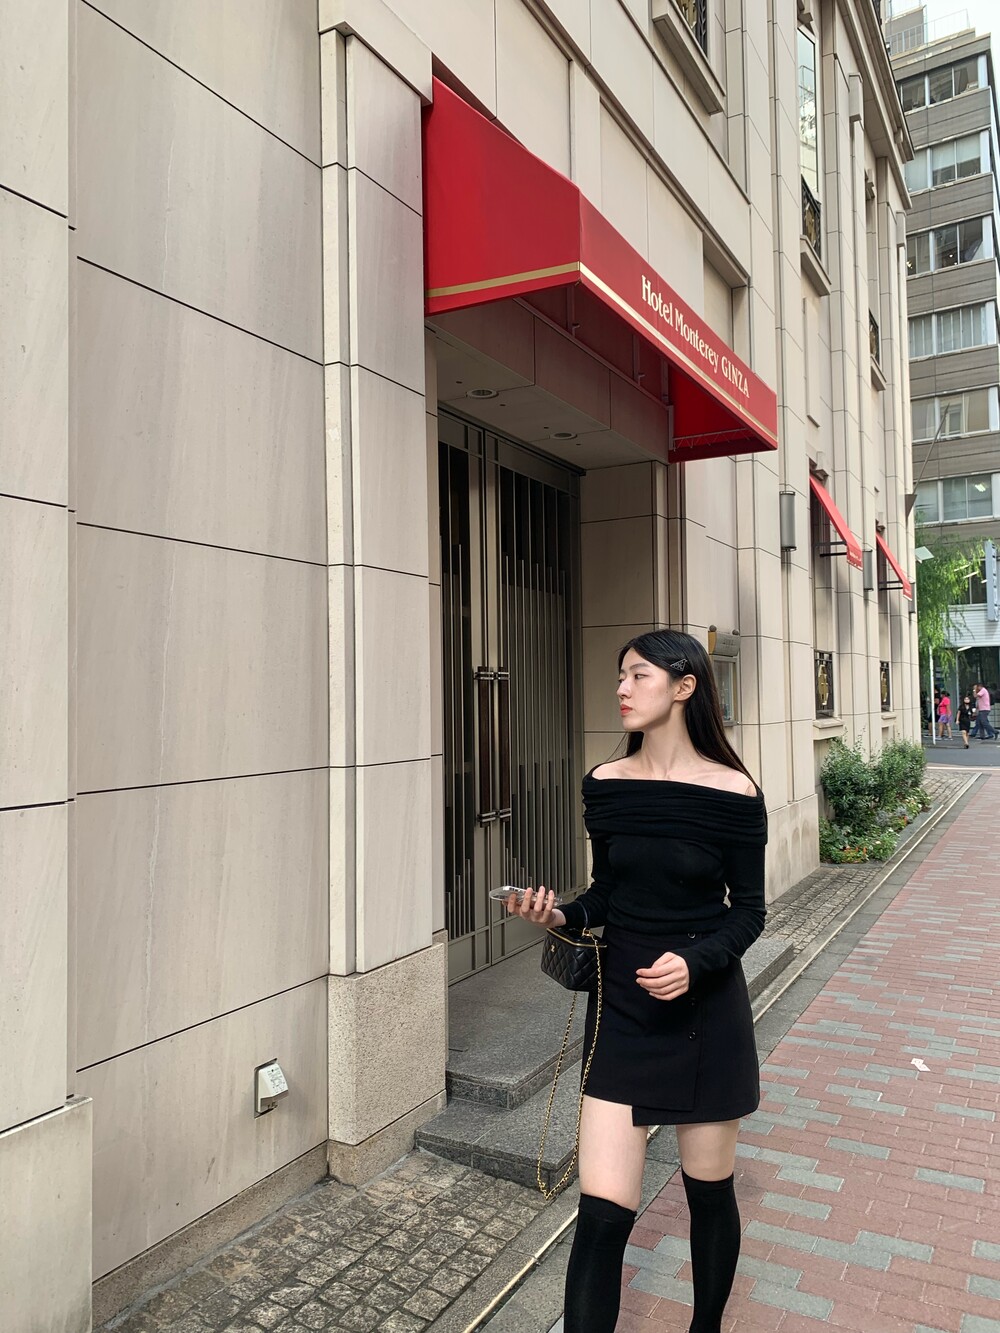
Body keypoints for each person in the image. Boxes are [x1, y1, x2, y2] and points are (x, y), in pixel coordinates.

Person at [505, 629, 767, 1333]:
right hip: (622, 1011)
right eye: (619, 675)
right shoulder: (605, 784)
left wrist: (696, 962)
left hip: (705, 1012)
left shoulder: (736, 792)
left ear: (685, 685)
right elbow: (607, 894)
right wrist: (560, 913)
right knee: (600, 1217)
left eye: (638, 675)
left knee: (709, 1196)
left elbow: (749, 912)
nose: (622, 688)